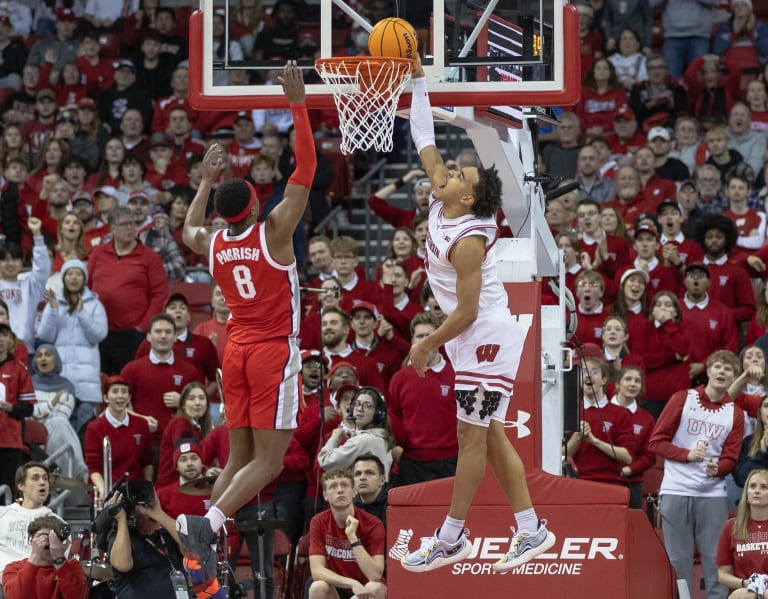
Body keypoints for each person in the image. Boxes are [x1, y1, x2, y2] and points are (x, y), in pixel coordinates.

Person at [400, 53, 555, 574]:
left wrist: (425, 343)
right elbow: (424, 136)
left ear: (468, 195)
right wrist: (419, 82)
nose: (446, 171)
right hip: (472, 334)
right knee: (488, 434)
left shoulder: (471, 238)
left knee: (472, 434)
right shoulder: (444, 199)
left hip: (485, 329)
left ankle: (451, 535)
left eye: (458, 171)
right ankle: (531, 528)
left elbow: (465, 311)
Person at [175, 61, 314, 599]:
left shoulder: (212, 242)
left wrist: (205, 181)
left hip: (233, 350)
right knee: (272, 461)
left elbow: (187, 227)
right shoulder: (274, 233)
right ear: (256, 203)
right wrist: (298, 105)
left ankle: (205, 535)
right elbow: (304, 168)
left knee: (238, 458)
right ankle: (206, 525)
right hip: (273, 352)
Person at [649, 349, 745, 599]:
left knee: (716, 562)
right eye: (719, 367)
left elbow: (731, 456)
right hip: (676, 490)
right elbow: (656, 442)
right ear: (709, 370)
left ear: (733, 377)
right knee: (677, 562)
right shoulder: (683, 398)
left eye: (729, 369)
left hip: (712, 494)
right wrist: (687, 454)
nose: (723, 372)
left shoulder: (735, 413)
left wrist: (719, 468)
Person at [37, 258, 108, 432]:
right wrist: (53, 310)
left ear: (84, 278)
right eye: (69, 274)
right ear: (63, 278)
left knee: (83, 431)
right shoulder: (54, 303)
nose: (74, 278)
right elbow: (45, 335)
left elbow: (99, 335)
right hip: (59, 383)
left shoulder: (94, 304)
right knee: (60, 431)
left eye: (78, 274)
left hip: (86, 385)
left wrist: (82, 313)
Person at [388, 311, 458, 487]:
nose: (424, 340)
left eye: (430, 335)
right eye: (420, 336)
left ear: (439, 339)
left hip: (452, 462)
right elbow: (394, 418)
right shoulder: (399, 379)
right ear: (412, 340)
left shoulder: (457, 375)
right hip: (412, 464)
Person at [308, 469, 386, 599]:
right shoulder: (318, 522)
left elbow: (375, 575)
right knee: (318, 587)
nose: (339, 490)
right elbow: (317, 571)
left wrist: (353, 538)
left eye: (344, 485)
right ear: (325, 495)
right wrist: (351, 583)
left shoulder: (373, 524)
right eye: (333, 486)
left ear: (354, 491)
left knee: (374, 587)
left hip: (366, 589)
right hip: (339, 589)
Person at [105, 486, 188, 599]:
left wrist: (158, 513)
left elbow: (192, 546)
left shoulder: (168, 534)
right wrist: (121, 519)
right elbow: (122, 565)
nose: (145, 507)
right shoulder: (121, 535)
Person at [84, 376, 154, 501]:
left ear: (129, 397)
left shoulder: (141, 424)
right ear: (106, 398)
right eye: (115, 391)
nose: (120, 396)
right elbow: (94, 467)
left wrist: (148, 489)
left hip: (134, 491)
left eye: (124, 391)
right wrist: (104, 491)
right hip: (107, 492)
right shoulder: (94, 427)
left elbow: (147, 461)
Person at [29, 344, 87, 481]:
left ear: (56, 360)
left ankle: (59, 476)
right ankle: (78, 472)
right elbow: (29, 413)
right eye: (39, 355)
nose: (43, 359)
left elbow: (63, 414)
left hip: (57, 430)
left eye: (48, 354)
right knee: (58, 424)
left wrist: (41, 411)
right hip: (35, 432)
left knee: (58, 423)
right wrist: (53, 402)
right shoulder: (28, 383)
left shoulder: (66, 385)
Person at [318, 386, 396, 479]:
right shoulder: (380, 436)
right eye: (357, 403)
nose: (359, 409)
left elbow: (325, 461)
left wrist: (335, 437)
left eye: (367, 405)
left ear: (378, 413)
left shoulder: (364, 440)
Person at [1, 514, 85, 599]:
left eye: (55, 538)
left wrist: (59, 559)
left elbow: (76, 596)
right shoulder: (14, 568)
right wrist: (35, 555)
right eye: (44, 537)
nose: (50, 542)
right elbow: (15, 597)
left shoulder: (72, 566)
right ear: (31, 541)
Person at [716, 469, 768, 597]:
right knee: (748, 595)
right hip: (742, 588)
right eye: (752, 486)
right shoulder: (730, 527)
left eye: (764, 487)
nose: (757, 491)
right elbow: (722, 575)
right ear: (746, 494)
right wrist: (747, 583)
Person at [0, 463, 52, 579]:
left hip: (34, 583)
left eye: (45, 478)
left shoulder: (58, 523)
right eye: (35, 478)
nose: (42, 482)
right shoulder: (2, 513)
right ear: (21, 485)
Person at [156, 382, 212, 488]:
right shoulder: (180, 423)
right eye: (191, 398)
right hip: (172, 490)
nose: (197, 403)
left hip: (188, 487)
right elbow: (186, 457)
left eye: (201, 398)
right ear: (182, 404)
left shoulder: (198, 427)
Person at [353, 454, 388, 526]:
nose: (362, 478)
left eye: (369, 473)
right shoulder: (350, 506)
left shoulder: (393, 505)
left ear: (382, 480)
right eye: (358, 474)